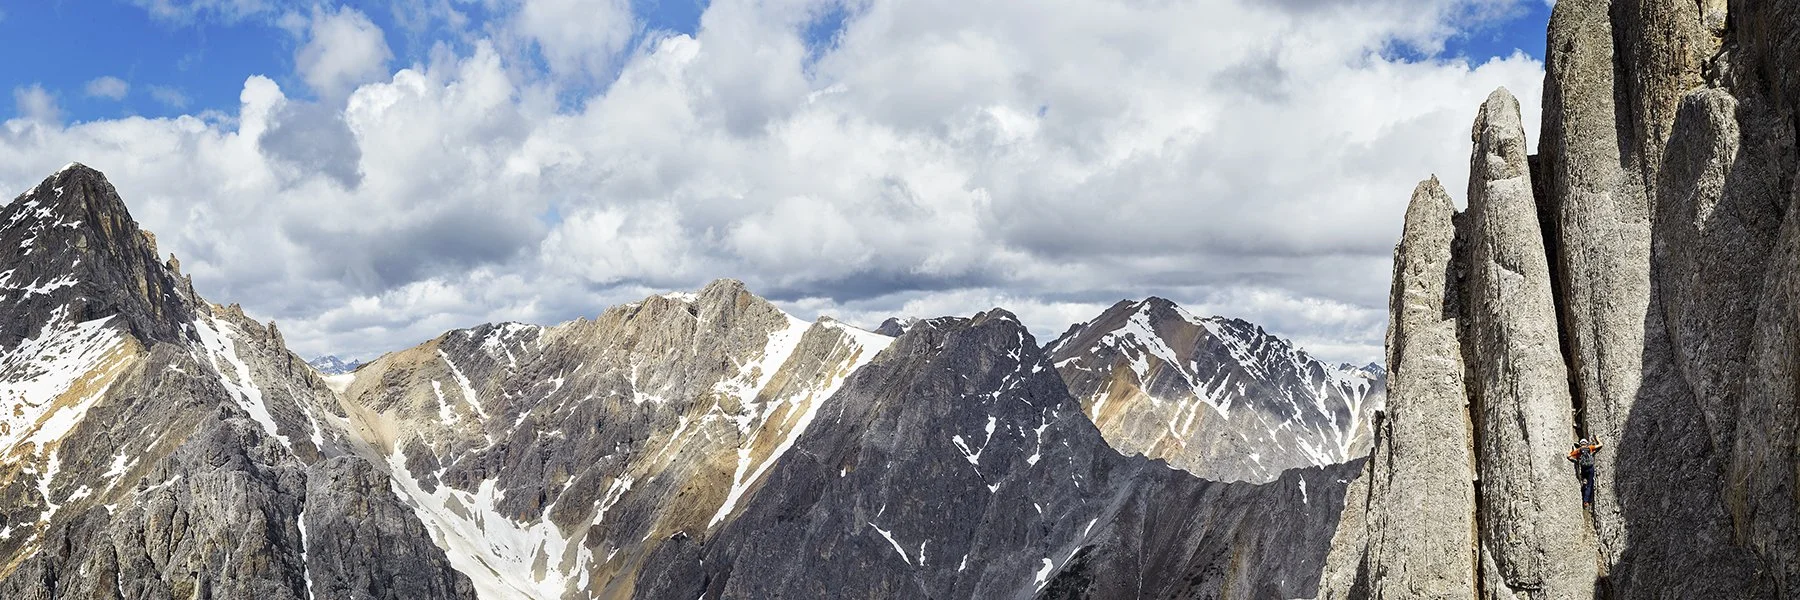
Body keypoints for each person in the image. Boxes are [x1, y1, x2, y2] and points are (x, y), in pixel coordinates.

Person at [1567, 438, 1604, 509]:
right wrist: (1597, 438)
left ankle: (1584, 486)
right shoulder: (1590, 448)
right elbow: (1600, 445)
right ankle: (1586, 501)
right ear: (1586, 443)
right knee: (1590, 484)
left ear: (1580, 444)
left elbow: (1568, 456)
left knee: (1585, 482)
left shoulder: (1578, 451)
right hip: (1590, 468)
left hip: (1583, 469)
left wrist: (1571, 452)